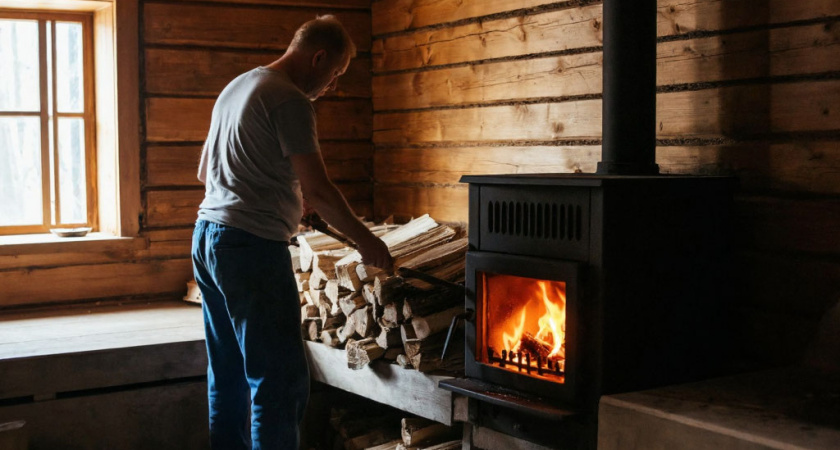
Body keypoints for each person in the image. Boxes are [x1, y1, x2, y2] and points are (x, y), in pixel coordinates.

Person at [191, 15, 393, 450]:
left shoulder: (238, 86)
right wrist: (367, 240)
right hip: (249, 248)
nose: (333, 86)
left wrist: (278, 194)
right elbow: (320, 189)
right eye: (335, 74)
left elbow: (205, 171)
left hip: (207, 236)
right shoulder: (290, 100)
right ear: (318, 58)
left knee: (227, 371)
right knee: (278, 379)